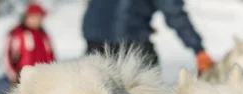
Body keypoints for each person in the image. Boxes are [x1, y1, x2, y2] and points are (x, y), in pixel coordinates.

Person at [82, 0, 215, 73]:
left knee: (101, 89)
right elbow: (174, 13)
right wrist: (198, 49)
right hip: (128, 38)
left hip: (94, 34)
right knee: (148, 90)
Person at [3, 3, 55, 84]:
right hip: (22, 79)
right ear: (28, 16)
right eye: (35, 17)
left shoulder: (44, 35)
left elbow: (51, 56)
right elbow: (6, 56)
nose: (38, 20)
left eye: (40, 17)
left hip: (44, 78)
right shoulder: (17, 33)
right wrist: (13, 76)